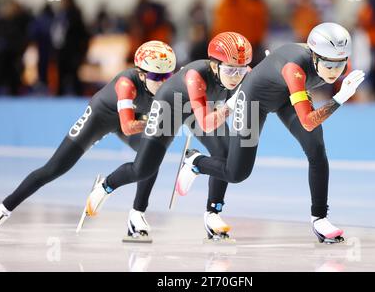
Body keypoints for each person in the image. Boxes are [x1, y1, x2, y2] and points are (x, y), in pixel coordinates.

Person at [177, 23, 365, 244]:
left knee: (317, 150)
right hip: (254, 99)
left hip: (287, 94)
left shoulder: (335, 59)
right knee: (236, 172)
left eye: (340, 66)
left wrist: (274, 61)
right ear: (314, 57)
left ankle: (320, 218)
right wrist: (340, 98)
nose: (334, 72)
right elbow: (307, 122)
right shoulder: (293, 69)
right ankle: (198, 167)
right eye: (327, 65)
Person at [0, 41, 176, 243]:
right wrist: (158, 121)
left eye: (168, 76)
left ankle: (137, 216)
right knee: (52, 169)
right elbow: (127, 126)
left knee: (152, 155)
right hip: (101, 118)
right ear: (141, 73)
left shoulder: (168, 85)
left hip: (134, 118)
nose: (163, 82)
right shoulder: (126, 84)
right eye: (156, 77)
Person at [82, 32, 252, 241]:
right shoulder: (195, 76)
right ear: (214, 65)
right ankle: (115, 194)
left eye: (241, 70)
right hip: (170, 105)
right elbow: (207, 123)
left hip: (199, 107)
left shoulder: (245, 73)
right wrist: (230, 106)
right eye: (230, 70)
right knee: (145, 168)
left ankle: (212, 213)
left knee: (225, 153)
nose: (236, 76)